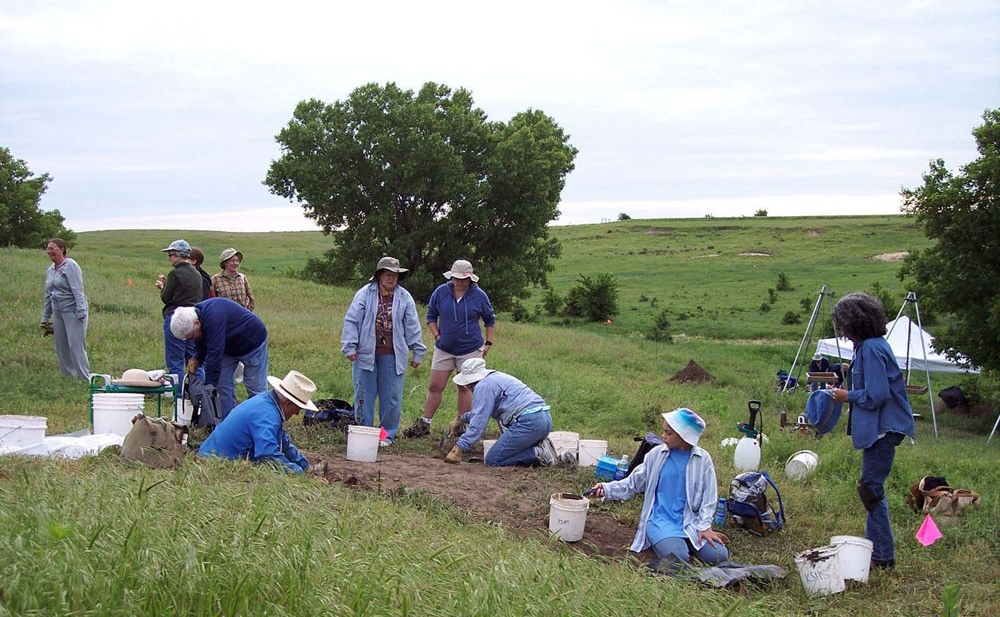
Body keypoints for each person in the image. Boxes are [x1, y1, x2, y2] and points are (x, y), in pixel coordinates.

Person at [830, 292, 915, 571]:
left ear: (854, 323)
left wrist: (847, 396)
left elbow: (878, 394)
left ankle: (881, 556)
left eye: (843, 325)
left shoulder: (871, 349)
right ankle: (878, 550)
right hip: (880, 427)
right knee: (871, 488)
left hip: (883, 427)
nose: (842, 332)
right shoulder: (870, 346)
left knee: (871, 490)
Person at [588, 408, 729, 566]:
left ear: (683, 436)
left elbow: (709, 497)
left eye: (668, 433)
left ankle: (687, 541)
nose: (663, 436)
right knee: (679, 557)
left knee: (719, 555)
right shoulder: (656, 455)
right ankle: (673, 542)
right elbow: (633, 483)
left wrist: (704, 527)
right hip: (661, 521)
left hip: (691, 523)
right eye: (663, 431)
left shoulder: (703, 460)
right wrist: (606, 489)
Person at [404, 259, 496, 438]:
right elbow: (431, 316)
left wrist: (488, 343)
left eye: (464, 278)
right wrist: (438, 336)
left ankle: (461, 425)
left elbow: (489, 319)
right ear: (451, 277)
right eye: (456, 278)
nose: (460, 282)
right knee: (435, 385)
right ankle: (425, 423)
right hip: (444, 347)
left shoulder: (479, 295)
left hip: (470, 348)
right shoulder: (441, 292)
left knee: (465, 386)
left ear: (471, 279)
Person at [341, 257, 426, 446]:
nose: (391, 278)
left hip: (393, 354)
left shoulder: (404, 297)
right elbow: (352, 320)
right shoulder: (364, 294)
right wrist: (350, 346)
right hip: (365, 353)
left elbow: (412, 326)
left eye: (395, 275)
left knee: (391, 397)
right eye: (388, 274)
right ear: (379, 275)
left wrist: (417, 351)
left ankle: (385, 436)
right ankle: (365, 434)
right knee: (364, 395)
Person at [444, 358, 571, 467]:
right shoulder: (495, 378)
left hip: (528, 422)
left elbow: (479, 422)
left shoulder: (483, 386)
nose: (467, 387)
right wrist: (462, 418)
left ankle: (539, 453)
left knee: (493, 460)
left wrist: (459, 448)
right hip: (543, 419)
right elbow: (481, 413)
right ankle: (539, 448)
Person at [198, 370, 316, 473]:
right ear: (289, 404)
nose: (296, 413)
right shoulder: (267, 415)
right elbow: (267, 454)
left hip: (214, 456)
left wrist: (305, 466)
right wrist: (298, 473)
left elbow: (282, 442)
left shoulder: (267, 404)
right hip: (217, 462)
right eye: (298, 409)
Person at [170, 297, 268, 421]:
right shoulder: (197, 317)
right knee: (223, 386)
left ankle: (260, 423)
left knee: (256, 389)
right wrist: (197, 358)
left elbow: (214, 355)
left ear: (196, 323)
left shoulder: (213, 317)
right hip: (228, 345)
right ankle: (227, 424)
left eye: (191, 336)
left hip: (252, 341)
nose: (192, 340)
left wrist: (209, 388)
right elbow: (203, 340)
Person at [41, 238, 90, 379]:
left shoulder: (70, 265)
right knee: (61, 346)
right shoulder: (50, 270)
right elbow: (48, 294)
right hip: (58, 311)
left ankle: (84, 378)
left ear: (62, 249)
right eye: (48, 248)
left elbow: (77, 290)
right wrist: (45, 317)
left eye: (52, 248)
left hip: (73, 311)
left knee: (75, 345)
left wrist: (81, 311)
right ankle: (68, 376)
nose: (49, 251)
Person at [156, 239, 203, 382]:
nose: (169, 258)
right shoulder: (196, 273)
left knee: (175, 359)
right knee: (194, 358)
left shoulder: (175, 274)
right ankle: (202, 393)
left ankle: (179, 394)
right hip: (194, 318)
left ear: (177, 255)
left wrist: (163, 287)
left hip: (176, 317)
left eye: (170, 254)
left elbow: (166, 297)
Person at [211, 247, 254, 312]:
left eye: (237, 261)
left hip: (242, 317)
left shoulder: (242, 278)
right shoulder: (215, 279)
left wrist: (247, 312)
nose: (235, 263)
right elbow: (212, 300)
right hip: (224, 317)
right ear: (225, 263)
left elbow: (251, 299)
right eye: (232, 261)